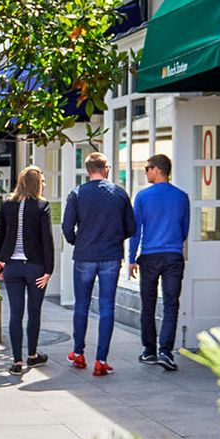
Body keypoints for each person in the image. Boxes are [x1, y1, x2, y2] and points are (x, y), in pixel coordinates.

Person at [62, 152, 136, 377]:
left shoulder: (77, 194)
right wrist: (113, 238)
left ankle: (78, 353)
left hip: (84, 255)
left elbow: (67, 228)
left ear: (87, 170)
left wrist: (79, 241)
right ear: (105, 168)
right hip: (111, 256)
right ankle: (101, 360)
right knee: (107, 307)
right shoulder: (119, 194)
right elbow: (131, 228)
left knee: (81, 305)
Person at [129, 154, 190, 372]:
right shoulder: (182, 197)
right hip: (173, 255)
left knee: (148, 303)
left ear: (157, 170)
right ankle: (166, 351)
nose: (145, 172)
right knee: (171, 304)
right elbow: (185, 230)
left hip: (150, 256)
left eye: (147, 168)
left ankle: (149, 351)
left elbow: (135, 231)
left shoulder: (143, 197)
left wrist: (130, 259)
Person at [0, 166, 54, 375]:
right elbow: (47, 240)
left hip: (12, 267)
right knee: (34, 312)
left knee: (16, 313)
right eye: (42, 181)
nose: (44, 184)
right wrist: (49, 269)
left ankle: (17, 362)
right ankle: (32, 356)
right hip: (35, 267)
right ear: (36, 183)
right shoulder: (42, 206)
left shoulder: (7, 205)